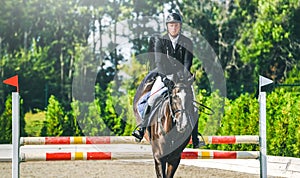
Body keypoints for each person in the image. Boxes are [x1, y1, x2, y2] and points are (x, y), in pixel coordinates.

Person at [132, 12, 200, 148]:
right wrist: (165, 79)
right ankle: (142, 128)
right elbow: (159, 62)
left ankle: (195, 136)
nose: (174, 28)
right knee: (152, 98)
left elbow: (187, 63)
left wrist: (183, 79)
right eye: (171, 25)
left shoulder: (187, 42)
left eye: (176, 25)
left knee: (193, 104)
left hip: (182, 78)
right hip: (164, 75)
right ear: (167, 27)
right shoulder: (160, 41)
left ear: (180, 26)